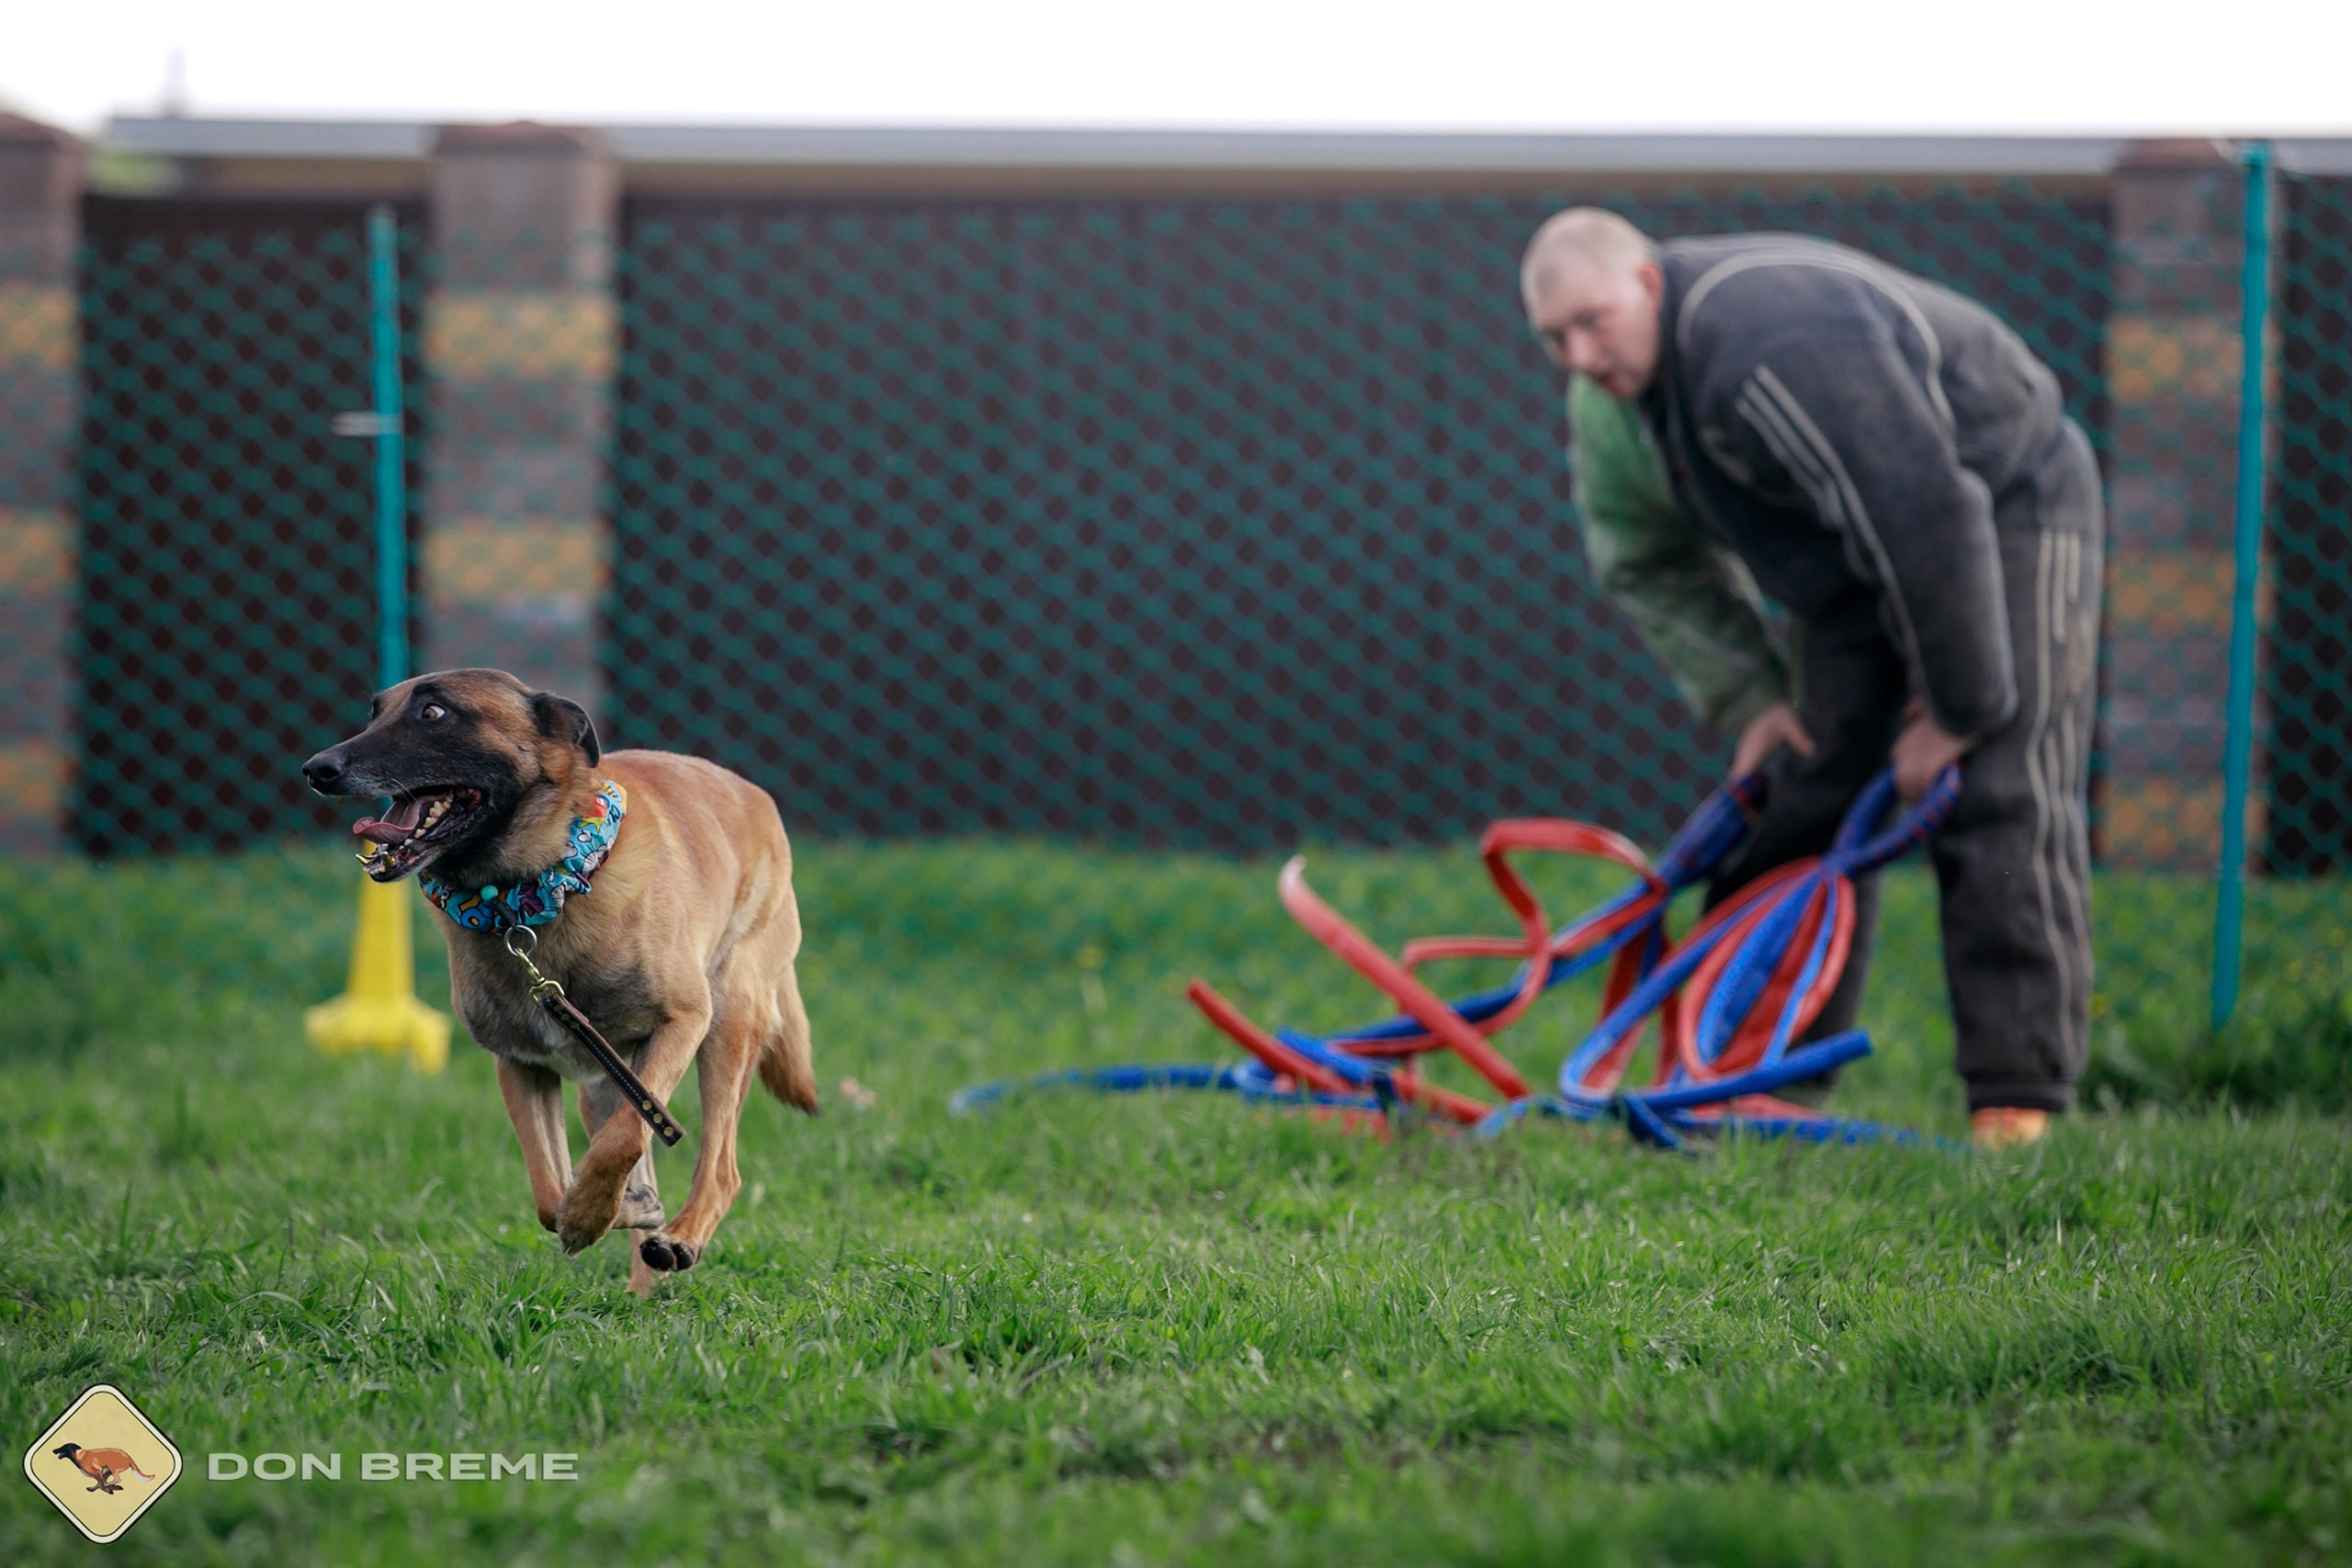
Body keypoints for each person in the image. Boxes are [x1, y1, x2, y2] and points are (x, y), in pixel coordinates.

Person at [1520, 208, 2101, 1148]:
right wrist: (1754, 700)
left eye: (1593, 321)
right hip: (1857, 558)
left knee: (1993, 783)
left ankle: (2015, 1098)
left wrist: (1955, 708)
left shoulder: (1764, 339)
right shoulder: (1624, 396)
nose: (1579, 354)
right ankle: (1751, 1084)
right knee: (1807, 789)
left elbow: (1925, 509)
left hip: (2005, 502)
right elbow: (1650, 563)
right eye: (1555, 338)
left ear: (1648, 284)